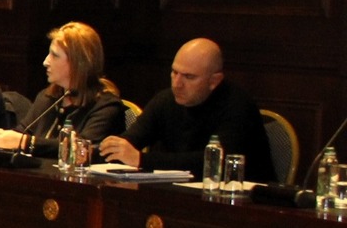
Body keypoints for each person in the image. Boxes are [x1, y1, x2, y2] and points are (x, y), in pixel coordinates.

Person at [98, 37, 276, 181]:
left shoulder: (238, 106)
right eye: (174, 72)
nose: (177, 84)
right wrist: (111, 148)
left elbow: (214, 162)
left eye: (189, 77)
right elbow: (131, 141)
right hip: (180, 194)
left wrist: (142, 159)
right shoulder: (166, 100)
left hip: (240, 204)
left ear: (214, 81)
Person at [0, 22, 126, 159]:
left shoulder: (106, 107)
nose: (45, 62)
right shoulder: (47, 97)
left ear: (78, 62)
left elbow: (82, 149)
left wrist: (24, 142)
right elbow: (23, 132)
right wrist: (2, 137)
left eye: (54, 55)